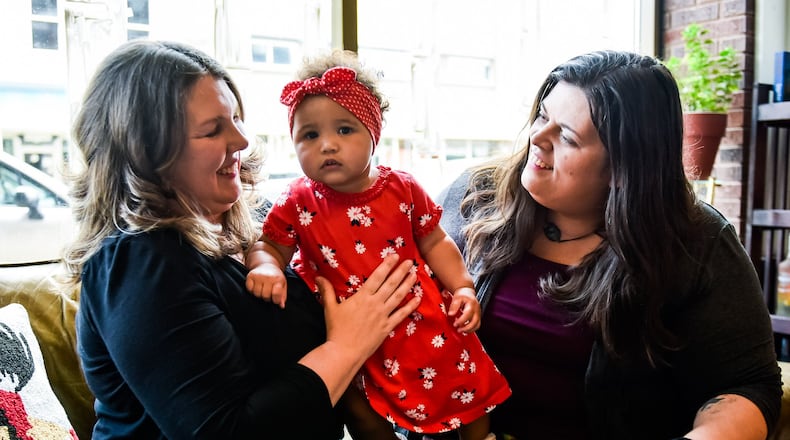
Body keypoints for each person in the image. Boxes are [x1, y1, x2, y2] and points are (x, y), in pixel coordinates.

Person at [62, 39, 422, 439]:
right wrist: (347, 346)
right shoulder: (140, 261)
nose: (241, 141)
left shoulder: (257, 228)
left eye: (235, 118)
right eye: (213, 130)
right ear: (147, 152)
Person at [435, 50, 783, 440]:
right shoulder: (474, 196)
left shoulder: (696, 240)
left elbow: (749, 386)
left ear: (622, 167)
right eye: (542, 117)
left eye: (566, 136)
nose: (538, 137)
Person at [245, 51, 511, 439]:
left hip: (423, 320)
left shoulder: (402, 188)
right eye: (310, 135)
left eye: (344, 130)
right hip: (352, 333)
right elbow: (269, 245)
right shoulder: (297, 201)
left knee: (465, 384)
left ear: (374, 133)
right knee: (359, 408)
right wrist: (266, 266)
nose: (327, 145)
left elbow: (436, 241)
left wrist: (464, 287)